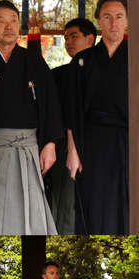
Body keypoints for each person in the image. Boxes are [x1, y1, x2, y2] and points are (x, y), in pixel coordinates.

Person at [0, 0, 61, 235]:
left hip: (26, 148)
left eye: (13, 21)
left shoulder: (34, 61)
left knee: (28, 207)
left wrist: (49, 145)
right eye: (1, 21)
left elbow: (50, 105)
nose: (8, 26)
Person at [66, 0, 128, 234]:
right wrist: (73, 151)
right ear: (99, 22)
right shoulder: (83, 60)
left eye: (119, 17)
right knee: (92, 200)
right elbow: (72, 108)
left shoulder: (135, 56)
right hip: (91, 141)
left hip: (128, 140)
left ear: (127, 21)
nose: (113, 23)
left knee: (127, 198)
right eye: (107, 17)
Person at [48, 18, 96, 234]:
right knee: (65, 201)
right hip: (64, 145)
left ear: (90, 39)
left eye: (74, 36)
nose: (68, 42)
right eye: (65, 38)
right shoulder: (58, 74)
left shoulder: (101, 72)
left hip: (97, 143)